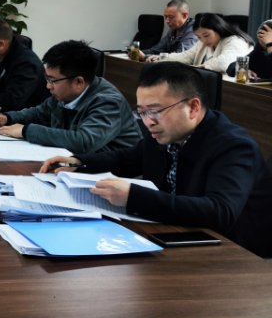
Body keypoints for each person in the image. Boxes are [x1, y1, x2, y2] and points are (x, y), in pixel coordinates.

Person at [41, 62, 272, 258]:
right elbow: (125, 159)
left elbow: (219, 212)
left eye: (155, 111)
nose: (148, 121)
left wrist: (133, 197)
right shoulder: (165, 133)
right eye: (141, 112)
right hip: (177, 235)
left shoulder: (234, 147)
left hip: (234, 255)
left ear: (193, 107)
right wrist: (77, 162)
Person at [0, 40, 141, 153]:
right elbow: (39, 112)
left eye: (52, 80)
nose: (48, 86)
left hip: (115, 175)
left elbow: (83, 142)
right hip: (76, 163)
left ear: (78, 82)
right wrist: (7, 117)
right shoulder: (64, 93)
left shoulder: (108, 101)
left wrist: (26, 131)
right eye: (47, 79)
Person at [146, 13, 253, 73]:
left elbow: (224, 63)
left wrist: (199, 67)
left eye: (206, 35)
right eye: (199, 37)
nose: (203, 40)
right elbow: (187, 56)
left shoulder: (236, 41)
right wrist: (163, 58)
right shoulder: (203, 43)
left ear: (218, 29)